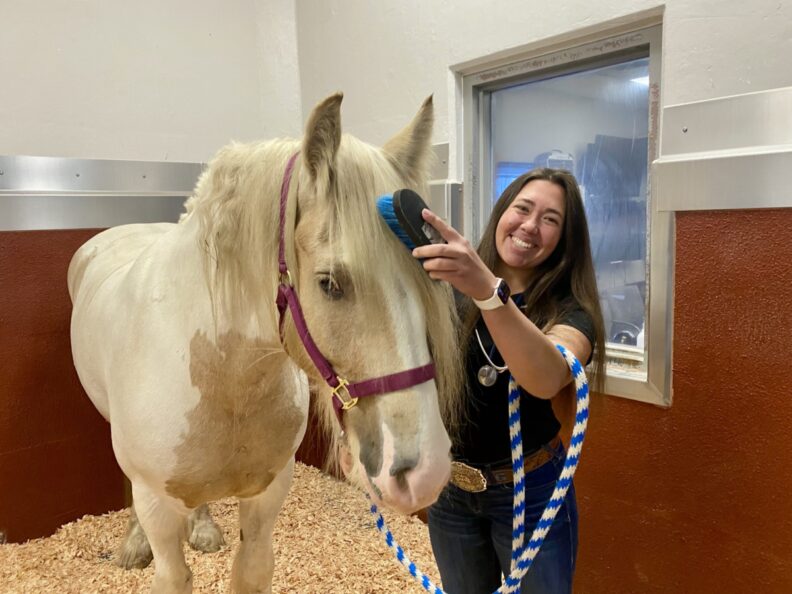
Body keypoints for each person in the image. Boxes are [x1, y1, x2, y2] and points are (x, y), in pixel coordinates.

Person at [412, 168, 605, 594]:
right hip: (451, 491)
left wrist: (487, 290)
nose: (530, 226)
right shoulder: (447, 289)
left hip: (531, 492)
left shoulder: (573, 312)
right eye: (523, 207)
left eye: (551, 219)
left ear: (564, 239)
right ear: (503, 211)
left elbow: (546, 376)